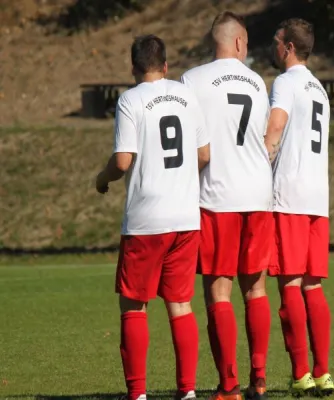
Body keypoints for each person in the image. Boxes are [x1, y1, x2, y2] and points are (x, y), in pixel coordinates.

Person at [95, 34, 210, 400]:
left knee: (133, 304)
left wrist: (102, 178)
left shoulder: (130, 99)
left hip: (147, 218)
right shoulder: (187, 96)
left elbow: (123, 161)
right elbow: (204, 155)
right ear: (165, 65)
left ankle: (138, 394)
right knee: (180, 304)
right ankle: (187, 391)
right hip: (185, 218)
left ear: (133, 69)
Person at [180, 11, 273, 400]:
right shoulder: (258, 82)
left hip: (217, 196)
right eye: (247, 43)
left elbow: (191, 145)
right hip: (258, 194)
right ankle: (260, 379)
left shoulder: (193, 80)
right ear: (238, 42)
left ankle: (229, 385)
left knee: (219, 291)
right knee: (256, 289)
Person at [264, 18, 334, 397]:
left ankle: (301, 373)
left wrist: (258, 163)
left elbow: (275, 130)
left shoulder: (287, 82)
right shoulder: (319, 88)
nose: (274, 48)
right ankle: (323, 372)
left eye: (277, 42)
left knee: (290, 281)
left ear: (289, 47)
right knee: (312, 284)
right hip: (317, 198)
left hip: (289, 193)